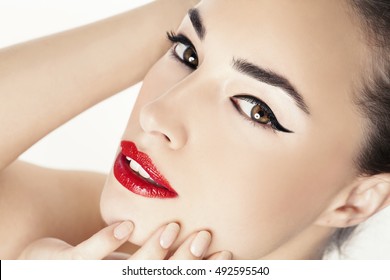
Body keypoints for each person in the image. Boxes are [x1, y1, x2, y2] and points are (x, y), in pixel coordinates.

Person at [0, 0, 389, 260]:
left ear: (357, 199)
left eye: (256, 109)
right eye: (186, 52)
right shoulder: (65, 238)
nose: (156, 114)